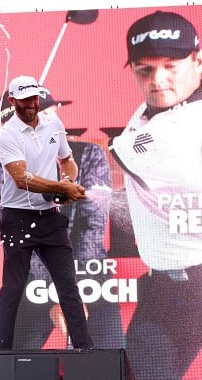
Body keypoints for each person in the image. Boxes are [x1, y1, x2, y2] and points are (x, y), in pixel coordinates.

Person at [0, 90, 123, 350]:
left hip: (89, 283)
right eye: (43, 115)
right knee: (14, 359)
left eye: (53, 113)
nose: (53, 122)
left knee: (109, 359)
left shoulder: (88, 155)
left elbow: (93, 228)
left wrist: (73, 292)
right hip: (34, 288)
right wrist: (51, 296)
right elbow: (20, 242)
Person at [109, 11, 202, 380]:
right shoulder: (164, 107)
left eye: (170, 66)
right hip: (170, 286)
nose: (158, 80)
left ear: (198, 61)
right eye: (144, 70)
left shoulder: (184, 125)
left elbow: (120, 153)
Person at [0, 75, 93, 351]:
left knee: (68, 286)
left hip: (49, 216)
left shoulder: (54, 124)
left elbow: (67, 160)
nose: (31, 105)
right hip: (16, 217)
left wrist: (69, 182)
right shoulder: (7, 134)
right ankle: (0, 354)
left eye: (34, 98)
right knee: (12, 289)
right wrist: (60, 186)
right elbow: (21, 178)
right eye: (24, 100)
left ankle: (84, 349)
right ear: (12, 102)